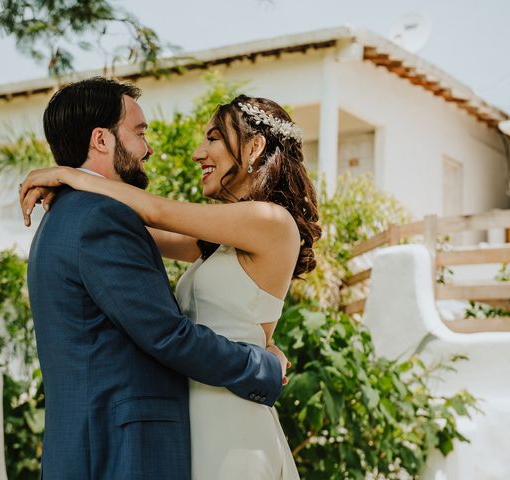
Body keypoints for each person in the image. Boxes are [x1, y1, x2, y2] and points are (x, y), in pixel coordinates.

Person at [21, 89, 321, 479]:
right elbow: (134, 227)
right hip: (196, 415)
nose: (199, 152)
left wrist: (68, 174)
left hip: (230, 417)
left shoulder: (270, 220)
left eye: (213, 138)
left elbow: (156, 211)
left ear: (254, 147)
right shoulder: (215, 241)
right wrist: (72, 189)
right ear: (101, 138)